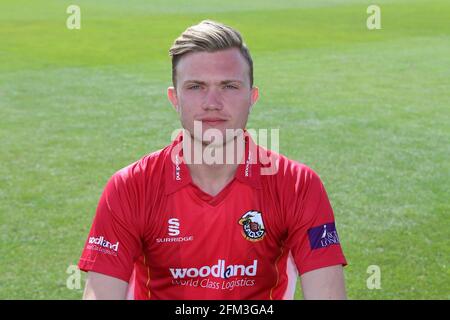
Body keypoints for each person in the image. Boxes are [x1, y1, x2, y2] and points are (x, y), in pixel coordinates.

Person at [78, 20, 347, 300]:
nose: (212, 103)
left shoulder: (298, 185)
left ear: (252, 97)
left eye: (229, 86)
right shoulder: (130, 187)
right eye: (196, 86)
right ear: (175, 98)